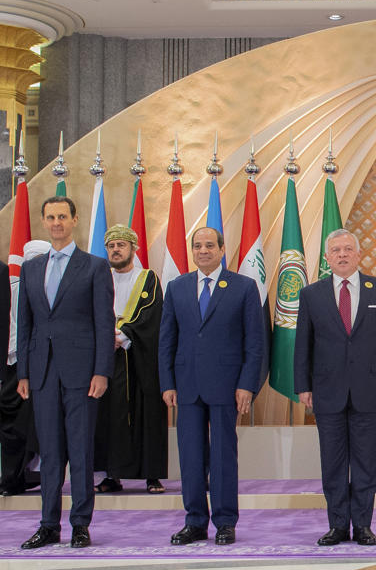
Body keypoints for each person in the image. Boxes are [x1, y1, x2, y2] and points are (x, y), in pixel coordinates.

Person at [17, 196, 114, 549]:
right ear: (44, 222)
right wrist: (24, 373)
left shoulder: (94, 266)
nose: (56, 222)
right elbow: (25, 325)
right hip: (42, 373)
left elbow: (105, 324)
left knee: (81, 451)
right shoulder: (31, 269)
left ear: (75, 220)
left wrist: (102, 370)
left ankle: (80, 524)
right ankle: (48, 525)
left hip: (83, 373)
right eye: (50, 217)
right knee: (51, 453)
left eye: (62, 216)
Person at [294, 229, 376, 546]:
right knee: (334, 463)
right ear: (327, 258)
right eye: (336, 250)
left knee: (367, 463)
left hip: (369, 390)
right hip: (326, 392)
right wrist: (303, 385)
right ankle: (338, 525)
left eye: (348, 249)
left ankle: (363, 526)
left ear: (358, 254)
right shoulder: (311, 294)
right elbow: (303, 345)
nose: (342, 254)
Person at [158, 227, 263, 546]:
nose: (203, 250)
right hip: (186, 386)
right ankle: (194, 522)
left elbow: (255, 342)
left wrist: (247, 384)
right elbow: (166, 340)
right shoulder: (177, 287)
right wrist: (167, 383)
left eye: (209, 245)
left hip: (227, 386)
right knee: (190, 457)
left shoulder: (244, 287)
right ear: (192, 251)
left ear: (221, 249)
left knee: (222, 457)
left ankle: (225, 522)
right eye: (197, 246)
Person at [93, 224, 167, 494]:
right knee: (108, 416)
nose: (116, 250)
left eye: (121, 245)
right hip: (107, 359)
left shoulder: (148, 278)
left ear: (133, 249)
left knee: (146, 413)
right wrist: (105, 337)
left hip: (140, 359)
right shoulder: (100, 277)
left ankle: (152, 475)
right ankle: (111, 475)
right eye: (111, 246)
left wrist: (122, 335)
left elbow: (152, 315)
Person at [1, 241, 49, 497]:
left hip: (45, 368)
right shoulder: (11, 288)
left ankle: (38, 477)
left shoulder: (54, 290)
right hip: (16, 368)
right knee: (14, 428)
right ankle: (12, 479)